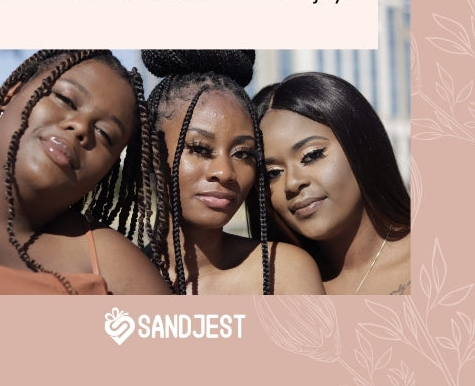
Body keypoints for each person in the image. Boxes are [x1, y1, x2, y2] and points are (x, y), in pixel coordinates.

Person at [0, 49, 171, 295]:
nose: (81, 127)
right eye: (66, 100)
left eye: (105, 134)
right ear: (11, 95)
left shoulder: (111, 265)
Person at [140, 50, 325, 295]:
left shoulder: (282, 270)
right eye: (199, 148)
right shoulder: (112, 274)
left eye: (242, 153)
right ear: (151, 152)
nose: (225, 172)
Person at [249, 72, 411, 294]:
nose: (292, 183)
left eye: (312, 155)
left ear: (361, 145)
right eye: (273, 173)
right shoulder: (269, 287)